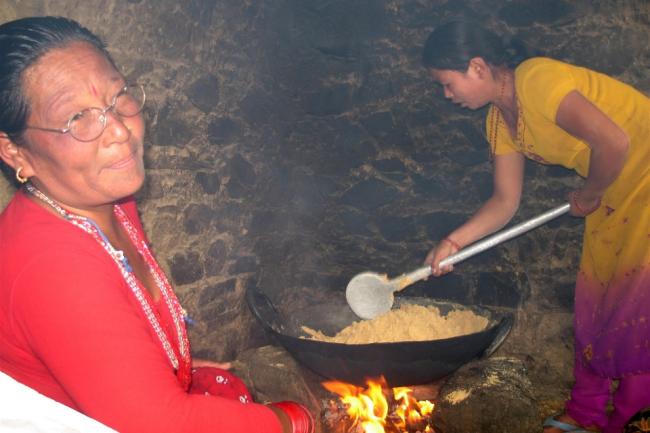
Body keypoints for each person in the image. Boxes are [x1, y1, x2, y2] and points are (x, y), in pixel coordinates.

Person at [0, 16, 313, 433]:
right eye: (77, 117)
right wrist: (298, 420)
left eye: (118, 96)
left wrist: (161, 368)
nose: (119, 129)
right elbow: (163, 425)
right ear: (14, 152)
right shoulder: (50, 267)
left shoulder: (110, 200)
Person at [421, 20, 650, 433]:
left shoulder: (536, 79)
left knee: (635, 304)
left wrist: (590, 193)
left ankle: (627, 419)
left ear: (477, 66)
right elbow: (504, 202)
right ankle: (586, 412)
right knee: (595, 298)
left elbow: (615, 142)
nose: (447, 95)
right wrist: (453, 242)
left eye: (447, 84)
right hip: (614, 191)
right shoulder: (499, 120)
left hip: (643, 177)